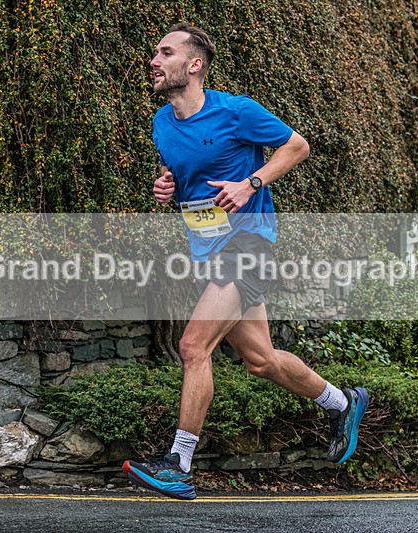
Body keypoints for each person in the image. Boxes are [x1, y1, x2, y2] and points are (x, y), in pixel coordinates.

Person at [122, 23, 368, 500]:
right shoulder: (161, 122)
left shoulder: (235, 111)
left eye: (164, 52)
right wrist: (165, 184)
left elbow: (297, 146)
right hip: (208, 250)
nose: (154, 60)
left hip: (248, 245)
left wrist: (251, 184)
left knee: (194, 346)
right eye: (155, 52)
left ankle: (179, 463)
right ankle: (343, 402)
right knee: (260, 360)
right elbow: (181, 172)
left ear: (193, 65)